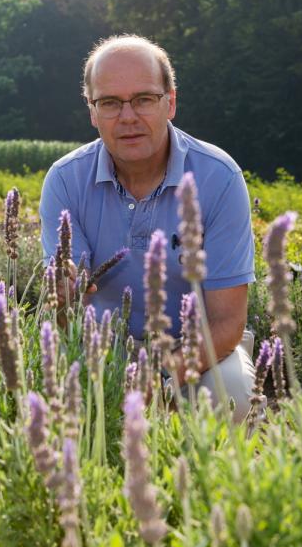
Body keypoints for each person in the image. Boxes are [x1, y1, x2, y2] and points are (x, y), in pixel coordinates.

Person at [39, 35, 256, 420]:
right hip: (103, 346)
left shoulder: (218, 178)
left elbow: (227, 322)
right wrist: (61, 296)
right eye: (109, 102)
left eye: (143, 99)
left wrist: (160, 380)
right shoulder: (65, 180)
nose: (127, 117)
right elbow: (67, 314)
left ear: (170, 102)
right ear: (91, 111)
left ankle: (207, 479)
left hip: (195, 348)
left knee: (231, 394)